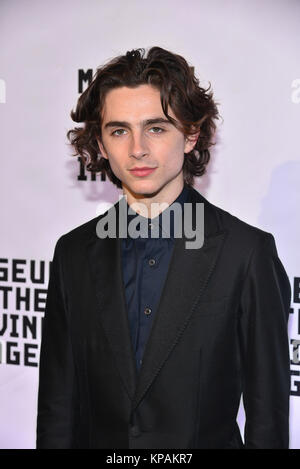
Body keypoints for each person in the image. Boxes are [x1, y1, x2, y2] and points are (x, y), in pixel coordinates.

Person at [36, 47, 291, 449]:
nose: (137, 148)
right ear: (101, 145)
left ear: (190, 135)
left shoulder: (246, 254)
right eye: (119, 130)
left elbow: (268, 419)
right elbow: (57, 405)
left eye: (156, 128)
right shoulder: (72, 254)